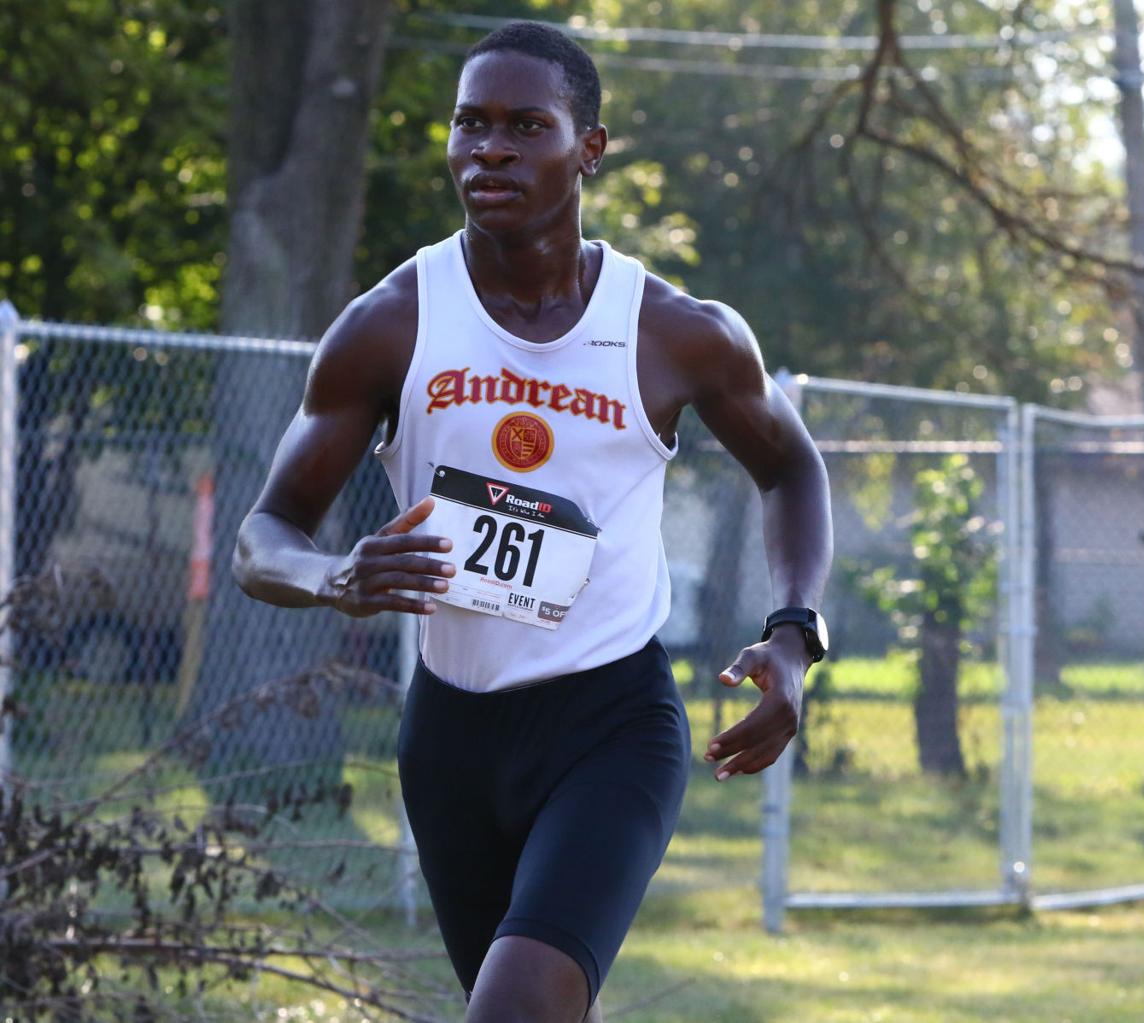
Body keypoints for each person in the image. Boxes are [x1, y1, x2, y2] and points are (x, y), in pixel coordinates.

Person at [232, 20, 833, 1023]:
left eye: (524, 126)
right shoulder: (392, 323)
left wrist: (794, 632)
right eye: (470, 124)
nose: (490, 150)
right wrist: (333, 576)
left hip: (612, 726)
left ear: (588, 148)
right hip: (451, 740)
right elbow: (264, 536)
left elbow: (791, 468)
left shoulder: (675, 331)